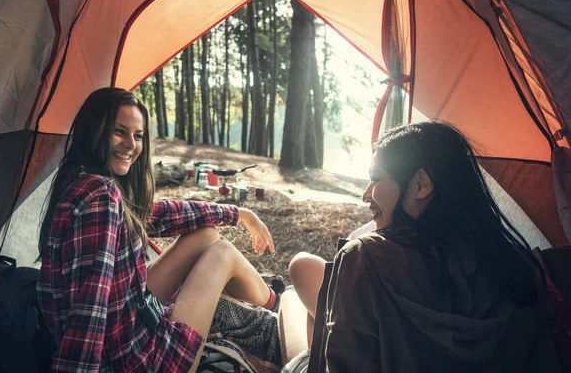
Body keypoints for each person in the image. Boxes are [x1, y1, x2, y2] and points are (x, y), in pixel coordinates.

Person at [281, 122, 561, 372]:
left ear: (421, 184)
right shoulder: (512, 262)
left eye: (376, 180)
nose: (366, 194)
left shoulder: (363, 256)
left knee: (291, 301)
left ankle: (280, 302)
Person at [37, 87, 280, 373]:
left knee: (205, 234)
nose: (131, 144)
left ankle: (266, 303)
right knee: (223, 252)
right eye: (119, 131)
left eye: (138, 136)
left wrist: (238, 213)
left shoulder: (79, 178)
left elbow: (158, 214)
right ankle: (274, 308)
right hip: (138, 361)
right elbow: (88, 311)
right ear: (95, 130)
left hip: (128, 321)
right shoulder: (100, 197)